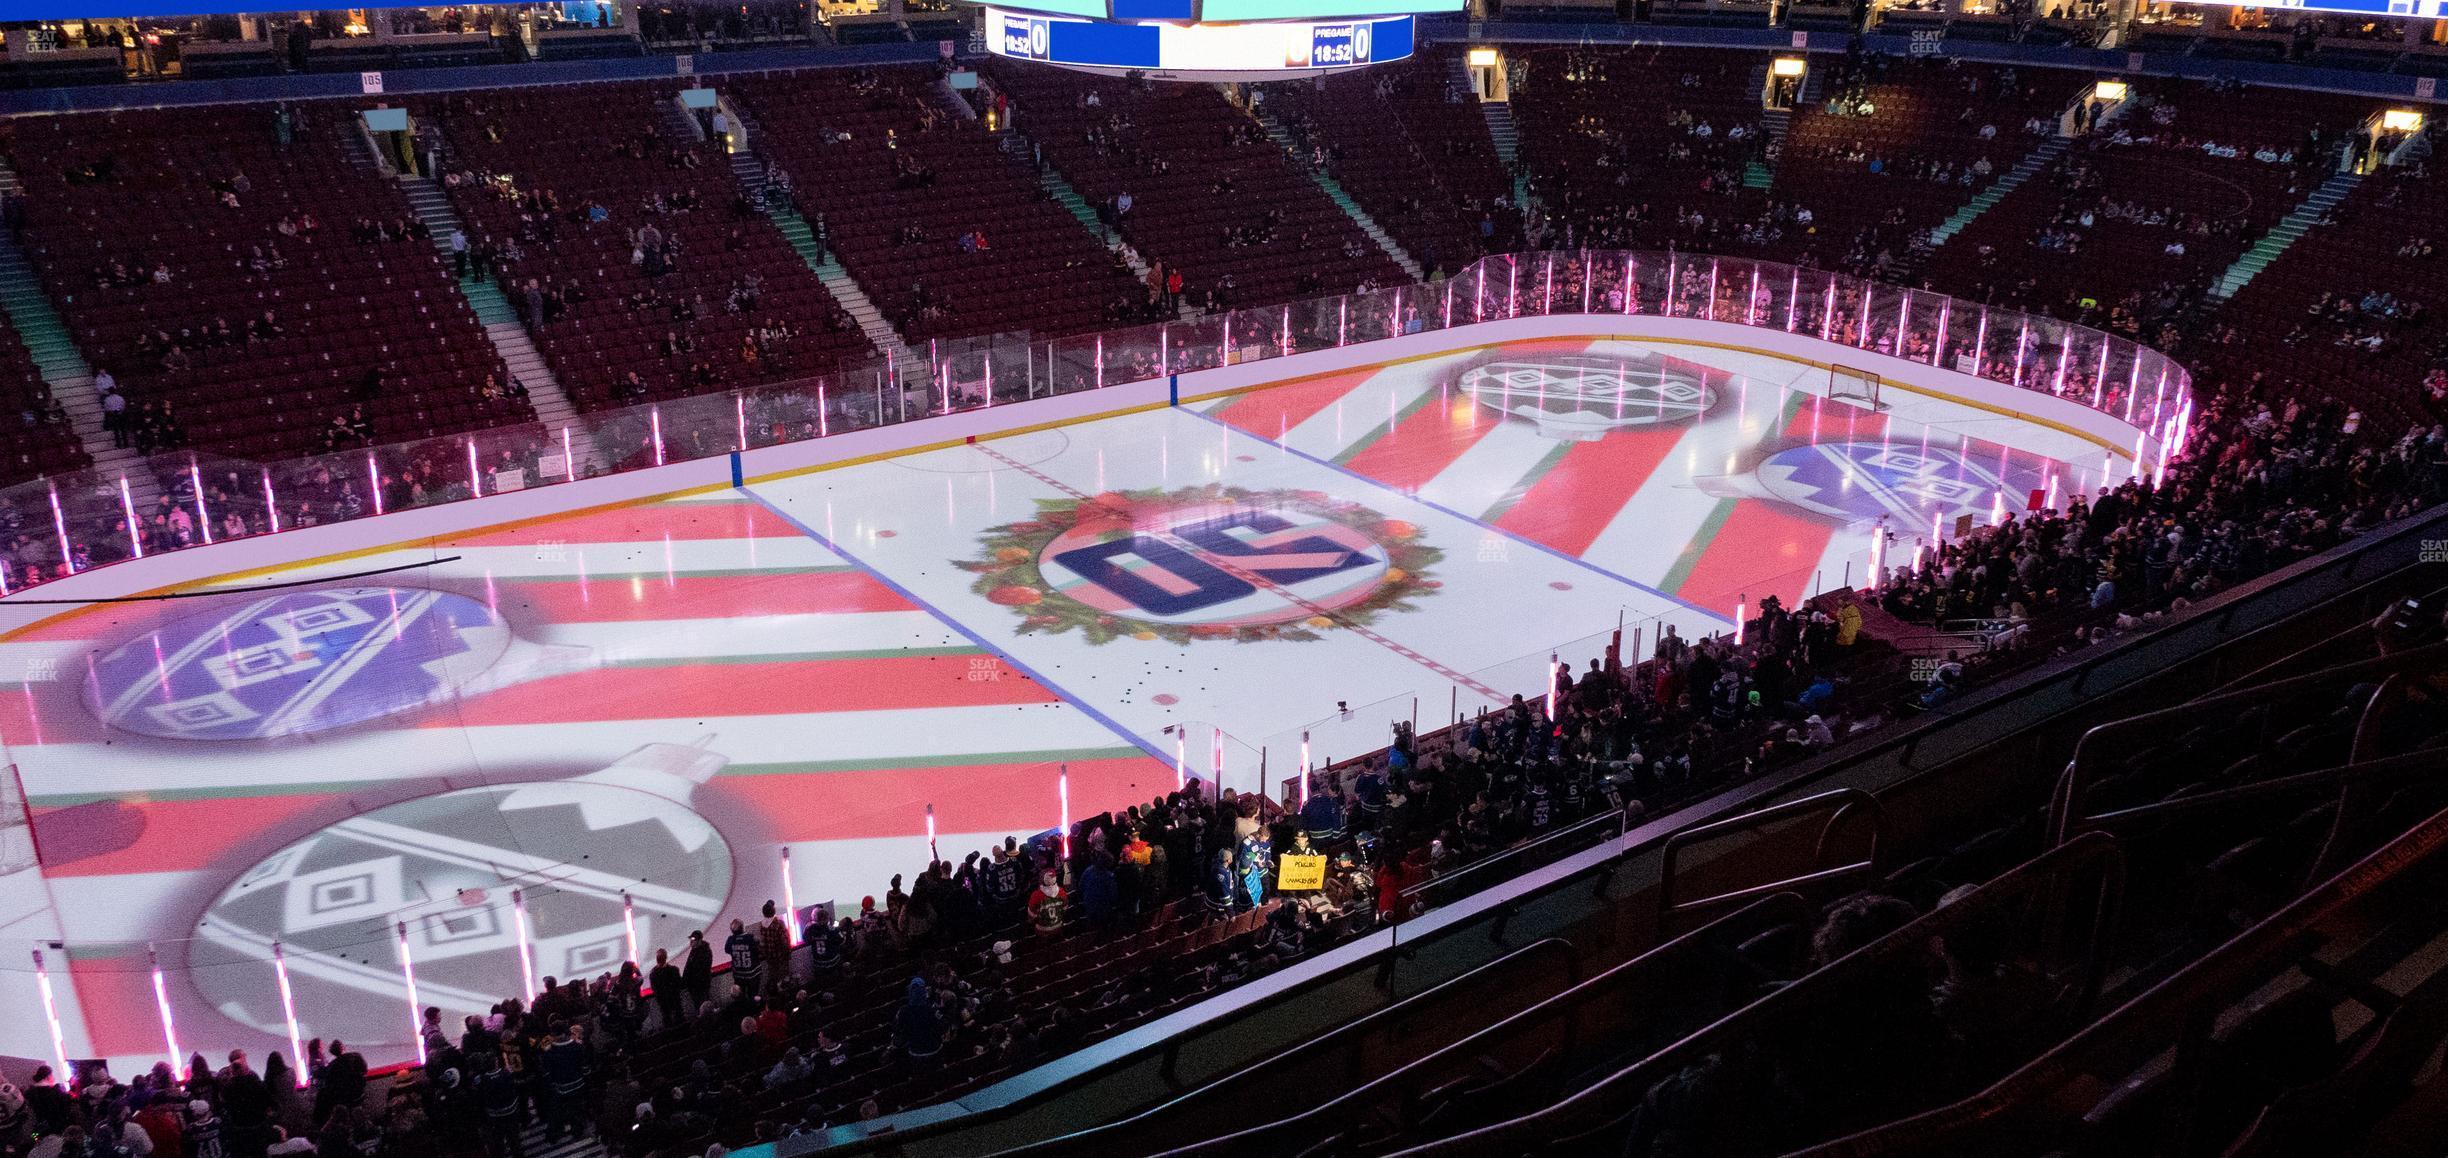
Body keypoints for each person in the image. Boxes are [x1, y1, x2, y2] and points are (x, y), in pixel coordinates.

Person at [724, 917, 763, 999]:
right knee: (753, 996)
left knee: (740, 997)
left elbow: (727, 950)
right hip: (753, 974)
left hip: (738, 975)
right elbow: (759, 951)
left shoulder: (730, 940)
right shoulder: (751, 938)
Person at [649, 947, 685, 1029]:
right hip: (673, 1000)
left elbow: (655, 989)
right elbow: (678, 984)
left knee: (669, 1019)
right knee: (677, 1018)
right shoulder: (674, 970)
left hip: (665, 1001)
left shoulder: (654, 974)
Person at [683, 929, 715, 1009]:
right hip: (694, 986)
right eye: (691, 940)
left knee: (703, 1005)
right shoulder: (694, 951)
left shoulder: (705, 952)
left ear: (699, 941)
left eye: (693, 940)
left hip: (700, 986)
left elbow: (701, 970)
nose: (691, 942)